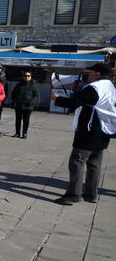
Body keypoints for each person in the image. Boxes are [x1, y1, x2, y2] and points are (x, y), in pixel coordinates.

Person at [52, 63, 116, 205]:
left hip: (89, 130)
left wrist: (57, 99)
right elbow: (88, 101)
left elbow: (76, 102)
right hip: (104, 130)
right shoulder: (111, 87)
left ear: (98, 73)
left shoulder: (95, 87)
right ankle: (91, 194)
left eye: (91, 72)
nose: (89, 74)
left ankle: (74, 194)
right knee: (94, 164)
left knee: (77, 161)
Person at [11, 70, 40, 139]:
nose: (27, 77)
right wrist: (14, 102)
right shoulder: (19, 85)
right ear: (23, 77)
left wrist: (32, 102)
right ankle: (17, 133)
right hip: (19, 106)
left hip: (28, 107)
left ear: (31, 77)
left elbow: (37, 95)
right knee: (18, 120)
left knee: (26, 120)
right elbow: (13, 94)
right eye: (25, 76)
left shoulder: (33, 86)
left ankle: (24, 133)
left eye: (28, 76)